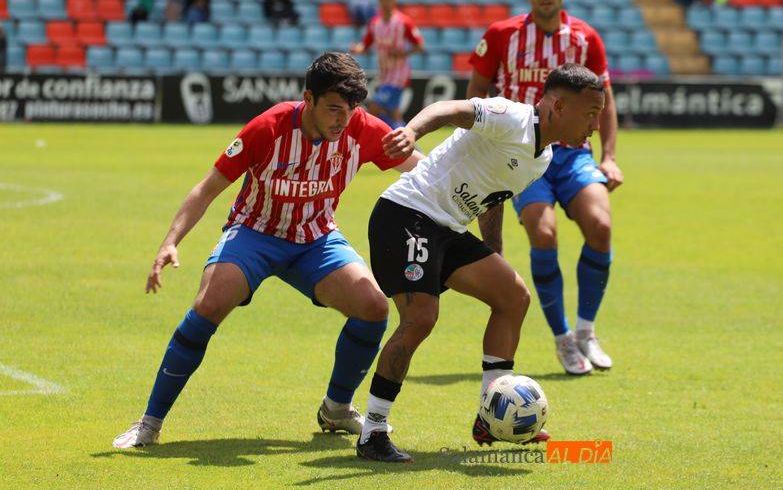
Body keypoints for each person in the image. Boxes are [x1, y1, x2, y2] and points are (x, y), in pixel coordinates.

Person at [112, 53, 423, 449]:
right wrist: (170, 242)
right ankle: (149, 424)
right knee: (209, 304)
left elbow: (421, 168)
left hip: (316, 239)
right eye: (332, 109)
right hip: (255, 234)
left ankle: (336, 409)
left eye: (349, 110)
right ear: (307, 98)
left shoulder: (360, 127)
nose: (341, 120)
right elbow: (207, 188)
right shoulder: (269, 127)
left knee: (374, 307)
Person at [355, 64, 606, 462]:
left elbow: (492, 200)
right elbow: (449, 108)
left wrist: (494, 256)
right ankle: (373, 431)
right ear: (558, 105)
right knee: (421, 317)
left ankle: (491, 417)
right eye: (591, 113)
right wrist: (412, 132)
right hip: (407, 213)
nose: (596, 124)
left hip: (447, 227)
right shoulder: (513, 118)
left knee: (513, 296)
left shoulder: (541, 159)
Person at [466, 0, 623, 376]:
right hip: (526, 155)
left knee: (601, 227)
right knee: (543, 231)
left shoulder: (586, 37)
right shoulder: (502, 35)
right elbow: (476, 92)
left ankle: (587, 330)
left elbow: (606, 100)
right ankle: (563, 338)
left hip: (574, 154)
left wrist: (610, 156)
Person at [350, 0, 424, 129]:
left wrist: (403, 53)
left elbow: (419, 46)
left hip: (399, 75)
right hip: (384, 75)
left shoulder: (403, 22)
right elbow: (366, 45)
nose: (386, 3)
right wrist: (357, 49)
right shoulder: (375, 23)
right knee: (394, 114)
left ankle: (371, 140)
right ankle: (408, 142)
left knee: (374, 108)